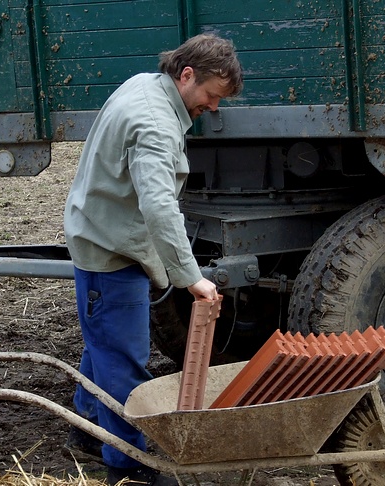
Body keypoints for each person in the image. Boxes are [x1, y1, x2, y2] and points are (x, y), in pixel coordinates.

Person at [62, 34, 243, 486]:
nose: (213, 108)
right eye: (211, 96)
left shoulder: (145, 83)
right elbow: (159, 207)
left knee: (103, 339)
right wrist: (191, 278)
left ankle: (85, 427)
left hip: (100, 229)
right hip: (111, 249)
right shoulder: (157, 124)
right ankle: (129, 466)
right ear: (187, 75)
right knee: (123, 358)